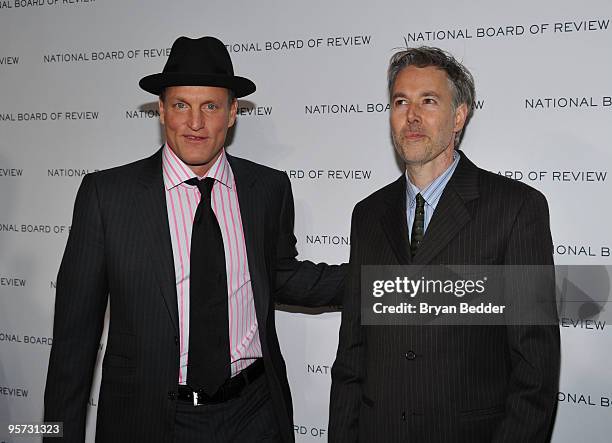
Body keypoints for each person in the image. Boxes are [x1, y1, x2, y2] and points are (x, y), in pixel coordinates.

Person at [44, 36, 345, 443]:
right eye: (181, 105)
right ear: (162, 111)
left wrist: (392, 283)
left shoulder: (266, 189)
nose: (195, 123)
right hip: (150, 422)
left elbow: (282, 276)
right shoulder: (107, 197)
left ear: (233, 112)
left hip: (254, 415)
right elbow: (72, 344)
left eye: (211, 107)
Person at [329, 46, 560, 442]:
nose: (411, 115)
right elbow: (352, 354)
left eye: (428, 101)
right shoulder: (366, 215)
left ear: (459, 116)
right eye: (401, 101)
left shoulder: (517, 208)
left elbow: (534, 368)